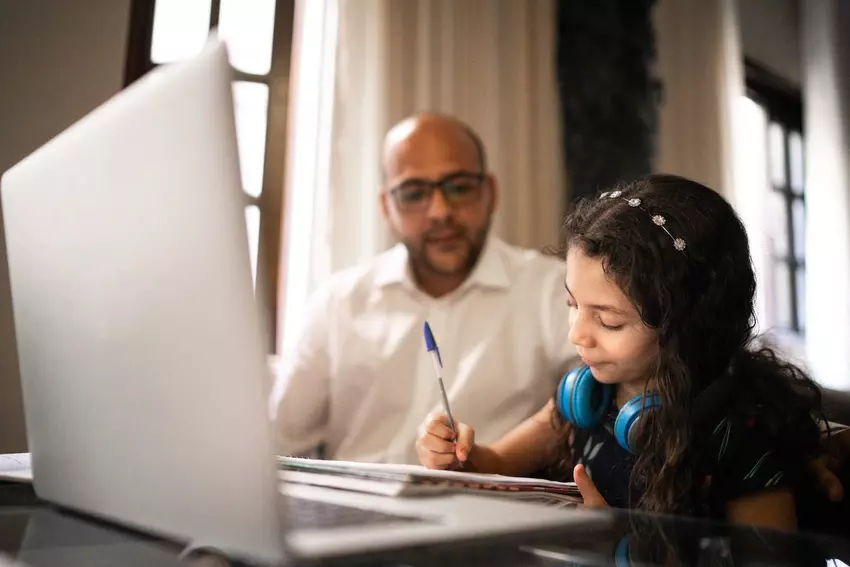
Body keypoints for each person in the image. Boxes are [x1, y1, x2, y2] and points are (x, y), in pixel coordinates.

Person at [416, 174, 825, 529]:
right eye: (572, 304)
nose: (577, 334)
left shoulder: (739, 433)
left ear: (687, 325)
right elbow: (496, 465)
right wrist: (456, 454)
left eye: (608, 321)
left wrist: (616, 542)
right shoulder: (583, 398)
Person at [271, 113, 577, 463]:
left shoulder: (554, 290)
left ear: (490, 192)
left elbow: (594, 401)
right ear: (386, 207)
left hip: (488, 494)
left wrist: (496, 460)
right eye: (414, 193)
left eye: (459, 187)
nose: (440, 211)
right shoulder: (337, 303)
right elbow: (281, 441)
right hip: (355, 495)